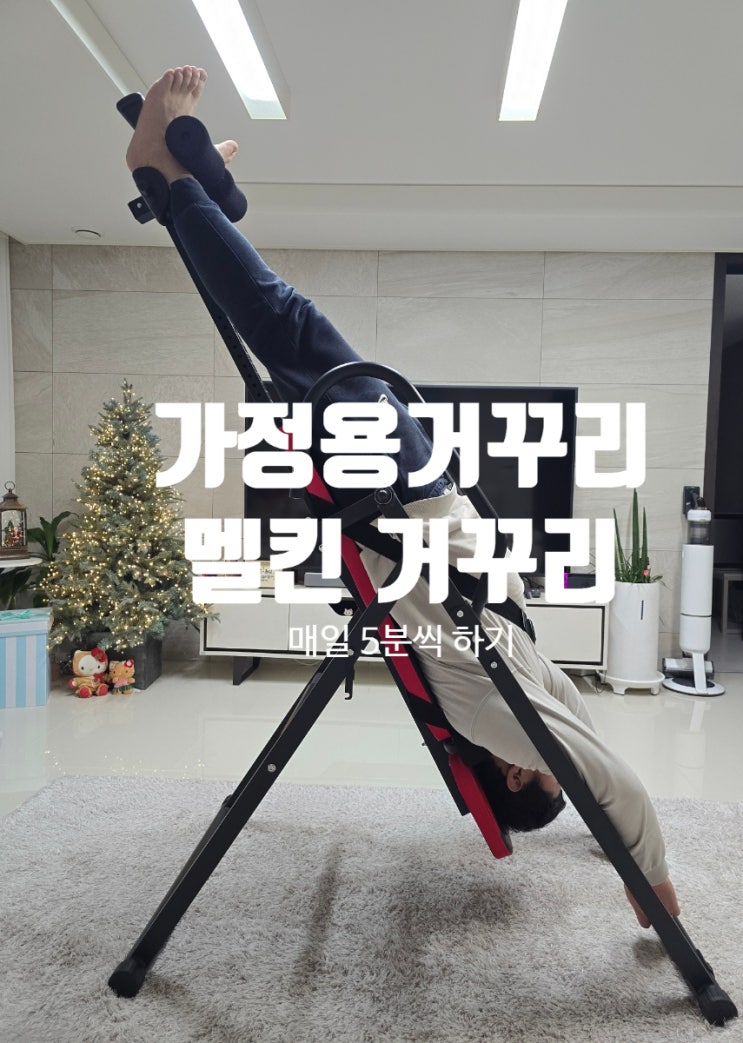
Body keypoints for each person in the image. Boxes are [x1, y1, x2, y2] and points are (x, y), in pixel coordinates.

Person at [125, 66, 680, 929]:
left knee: (284, 323)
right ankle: (188, 190)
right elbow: (588, 733)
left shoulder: (498, 716)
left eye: (546, 774)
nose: (556, 759)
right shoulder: (519, 692)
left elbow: (606, 778)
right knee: (285, 326)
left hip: (403, 504)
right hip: (417, 493)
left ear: (516, 772)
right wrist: (606, 838)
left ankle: (170, 176)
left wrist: (653, 882)